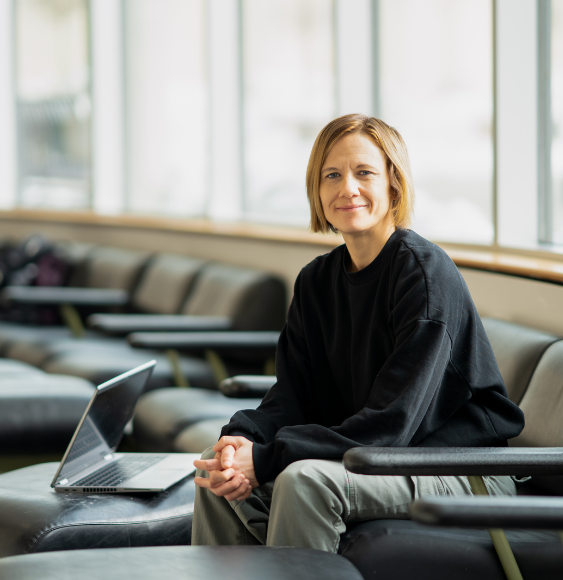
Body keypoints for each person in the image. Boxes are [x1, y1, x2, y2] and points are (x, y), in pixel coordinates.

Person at [191, 114, 525, 552]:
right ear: (317, 188)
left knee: (303, 480)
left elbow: (391, 425)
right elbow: (292, 397)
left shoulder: (423, 276)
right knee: (212, 473)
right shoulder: (316, 281)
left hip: (462, 470)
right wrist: (241, 442)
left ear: (393, 184)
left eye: (364, 172)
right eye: (332, 175)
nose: (347, 187)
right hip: (377, 458)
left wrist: (270, 458)